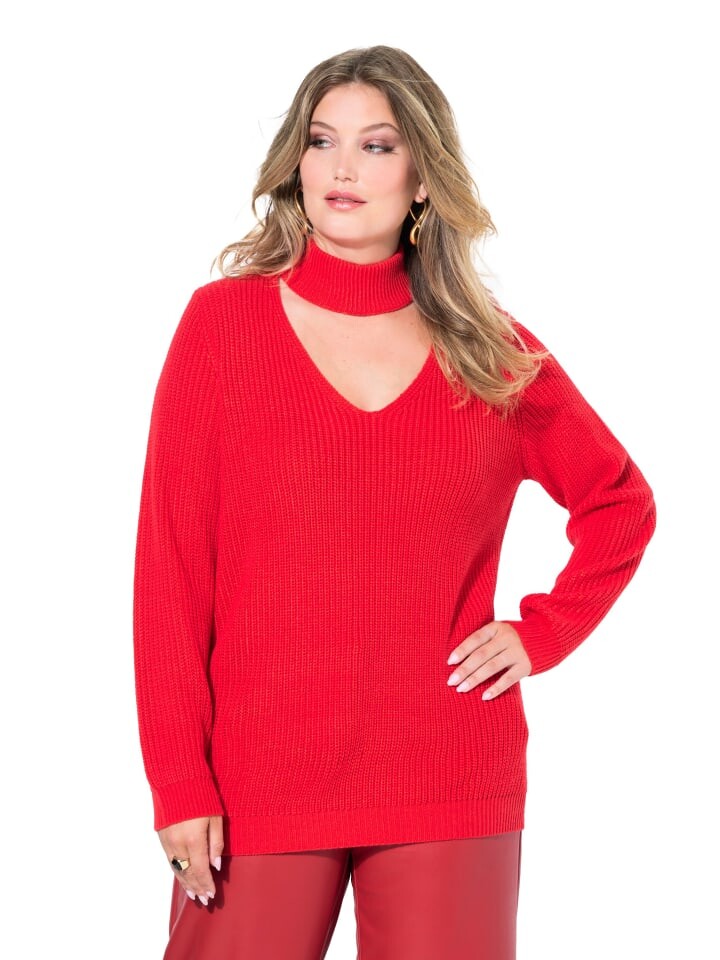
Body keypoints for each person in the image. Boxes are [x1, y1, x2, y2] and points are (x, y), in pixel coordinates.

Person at [133, 45, 656, 960]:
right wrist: (179, 780)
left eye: (376, 146)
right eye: (322, 140)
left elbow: (621, 503)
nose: (343, 167)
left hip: (447, 772)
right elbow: (171, 572)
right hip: (259, 779)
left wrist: (542, 632)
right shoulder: (222, 327)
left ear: (421, 178)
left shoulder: (490, 354)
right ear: (296, 164)